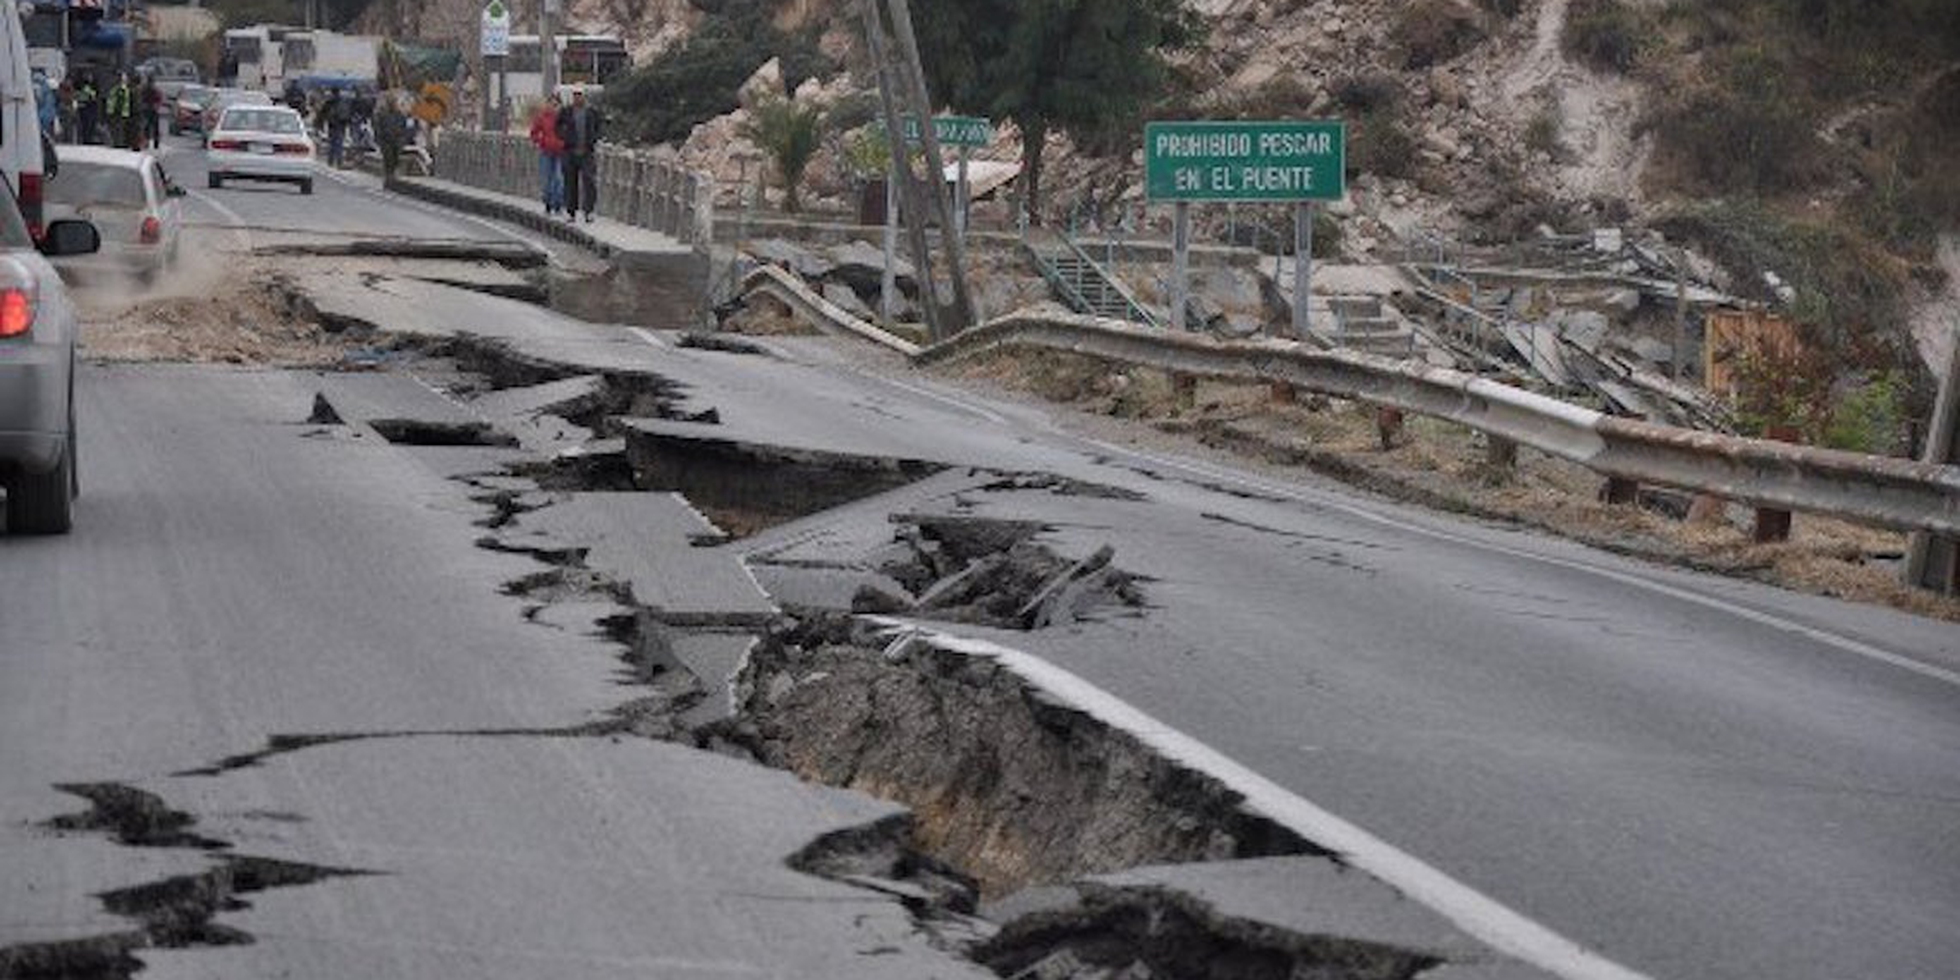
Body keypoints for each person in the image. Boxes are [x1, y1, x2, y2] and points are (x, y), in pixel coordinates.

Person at [554, 87, 602, 223]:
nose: (577, 98)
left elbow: (599, 126)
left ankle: (589, 211)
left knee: (589, 181)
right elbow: (557, 126)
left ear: (584, 96)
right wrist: (564, 138)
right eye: (575, 95)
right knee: (570, 182)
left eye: (579, 95)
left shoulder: (592, 112)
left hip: (587, 152)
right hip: (569, 151)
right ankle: (571, 211)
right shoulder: (566, 111)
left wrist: (594, 139)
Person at [528, 94, 566, 216]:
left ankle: (558, 204)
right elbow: (534, 133)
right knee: (547, 180)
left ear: (559, 105)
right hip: (546, 152)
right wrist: (540, 141)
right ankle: (548, 203)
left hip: (561, 153)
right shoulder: (542, 117)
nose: (553, 107)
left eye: (556, 105)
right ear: (547, 104)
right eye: (551, 104)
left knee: (559, 179)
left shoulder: (565, 118)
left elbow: (571, 132)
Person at [375, 94, 407, 179]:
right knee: (388, 159)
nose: (393, 104)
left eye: (394, 102)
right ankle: (389, 177)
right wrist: (379, 139)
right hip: (386, 141)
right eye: (391, 102)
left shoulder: (400, 115)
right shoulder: (382, 114)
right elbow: (378, 127)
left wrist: (402, 138)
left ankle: (393, 175)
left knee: (395, 159)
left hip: (397, 140)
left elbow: (404, 127)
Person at [319, 88, 352, 168]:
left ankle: (330, 160)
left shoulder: (329, 101)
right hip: (341, 123)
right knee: (339, 142)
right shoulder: (344, 100)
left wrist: (321, 123)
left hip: (332, 124)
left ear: (332, 92)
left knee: (332, 142)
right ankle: (339, 161)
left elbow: (323, 112)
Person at [104, 73, 134, 149]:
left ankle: (118, 143)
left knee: (119, 129)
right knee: (118, 129)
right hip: (119, 112)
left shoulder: (120, 89)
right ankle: (118, 143)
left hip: (119, 112)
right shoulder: (121, 89)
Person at [74, 75, 98, 145]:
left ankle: (87, 139)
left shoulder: (87, 87)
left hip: (87, 107)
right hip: (86, 107)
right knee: (86, 125)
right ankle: (86, 139)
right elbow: (93, 96)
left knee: (87, 125)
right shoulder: (85, 87)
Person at [139, 76, 163, 150]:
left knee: (147, 126)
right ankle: (155, 143)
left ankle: (148, 142)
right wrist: (157, 106)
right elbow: (159, 98)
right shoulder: (155, 89)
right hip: (152, 109)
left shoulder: (143, 89)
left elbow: (141, 98)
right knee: (154, 127)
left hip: (147, 109)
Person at [32, 70, 56, 139]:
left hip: (39, 112)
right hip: (48, 112)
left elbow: (39, 99)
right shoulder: (46, 85)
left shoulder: (34, 84)